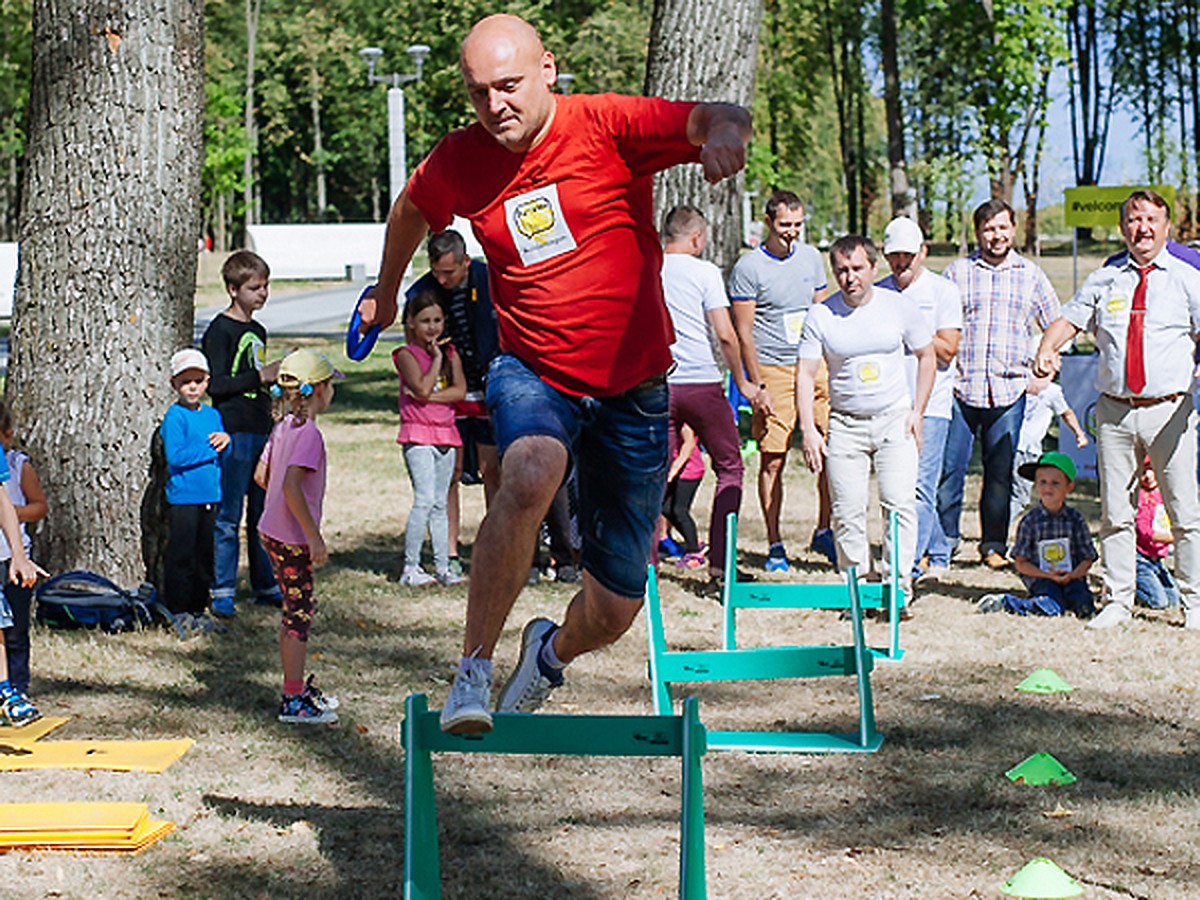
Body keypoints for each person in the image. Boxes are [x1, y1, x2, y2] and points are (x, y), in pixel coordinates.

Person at [356, 13, 750, 734]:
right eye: (479, 94)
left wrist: (723, 135)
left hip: (634, 391)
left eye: (508, 86)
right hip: (532, 369)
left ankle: (547, 652)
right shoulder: (463, 158)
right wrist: (387, 290)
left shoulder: (608, 126)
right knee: (531, 470)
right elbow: (412, 208)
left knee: (613, 610)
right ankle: (472, 670)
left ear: (548, 69)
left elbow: (716, 115)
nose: (495, 105)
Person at [1035, 189, 1200, 630]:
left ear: (1166, 228)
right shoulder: (1105, 279)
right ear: (1123, 227)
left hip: (1171, 411)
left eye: (1150, 220)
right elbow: (1070, 319)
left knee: (1185, 511)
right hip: (1114, 412)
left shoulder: (1188, 279)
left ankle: (1195, 602)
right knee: (1115, 513)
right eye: (1132, 219)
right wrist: (1048, 347)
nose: (1141, 228)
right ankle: (1118, 600)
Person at [797, 235, 935, 599]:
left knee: (899, 503)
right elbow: (805, 373)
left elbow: (927, 355)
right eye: (841, 270)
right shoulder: (821, 314)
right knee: (846, 511)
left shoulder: (899, 307)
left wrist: (917, 411)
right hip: (845, 423)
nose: (850, 277)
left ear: (874, 268)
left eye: (857, 268)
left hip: (894, 419)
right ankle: (856, 590)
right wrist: (809, 429)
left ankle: (897, 589)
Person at [937, 199, 1060, 569]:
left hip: (1009, 390)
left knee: (1000, 472)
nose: (997, 235)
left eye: (1003, 227)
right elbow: (937, 322)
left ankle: (993, 546)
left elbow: (1056, 322)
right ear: (977, 233)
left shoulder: (1031, 274)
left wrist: (1046, 364)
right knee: (949, 470)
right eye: (989, 229)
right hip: (960, 386)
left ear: (1014, 229)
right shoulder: (956, 273)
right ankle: (943, 544)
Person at [729, 191, 832, 571]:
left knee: (829, 452)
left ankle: (825, 531)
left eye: (798, 225)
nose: (792, 233)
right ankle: (775, 544)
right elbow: (743, 332)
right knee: (773, 460)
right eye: (785, 225)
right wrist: (756, 386)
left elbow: (822, 314)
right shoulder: (749, 267)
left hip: (813, 365)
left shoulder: (811, 259)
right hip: (772, 368)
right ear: (769, 222)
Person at [660, 205, 752, 584]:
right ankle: (721, 565)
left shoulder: (647, 268)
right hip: (700, 382)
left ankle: (645, 567)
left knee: (653, 474)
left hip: (658, 386)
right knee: (730, 467)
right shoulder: (705, 272)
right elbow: (726, 333)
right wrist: (742, 381)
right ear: (697, 238)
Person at [404, 230, 501, 576]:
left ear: (465, 261)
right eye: (437, 272)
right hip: (445, 398)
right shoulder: (423, 293)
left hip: (486, 388)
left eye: (450, 272)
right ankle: (449, 552)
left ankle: (495, 550)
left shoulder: (489, 279)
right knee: (451, 475)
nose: (443, 280)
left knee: (493, 471)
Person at [255, 349, 342, 724]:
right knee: (299, 618)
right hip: (292, 539)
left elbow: (262, 476)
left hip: (271, 533)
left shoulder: (282, 427)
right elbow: (292, 487)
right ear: (319, 390)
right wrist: (313, 536)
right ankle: (292, 699)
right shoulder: (309, 435)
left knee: (293, 612)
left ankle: (295, 688)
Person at [876, 216, 962, 585]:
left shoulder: (943, 292)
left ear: (923, 253)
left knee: (919, 487)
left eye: (908, 255)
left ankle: (905, 569)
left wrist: (910, 331)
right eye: (894, 255)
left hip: (932, 405)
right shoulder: (877, 293)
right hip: (886, 404)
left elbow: (947, 350)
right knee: (896, 489)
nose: (901, 263)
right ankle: (938, 550)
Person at [202, 250, 283, 618]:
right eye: (254, 287)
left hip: (261, 428)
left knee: (263, 512)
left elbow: (257, 381)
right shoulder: (220, 331)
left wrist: (274, 397)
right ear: (234, 289)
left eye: (265, 286)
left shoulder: (257, 330)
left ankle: (266, 583)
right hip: (233, 431)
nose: (262, 294)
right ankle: (222, 589)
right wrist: (260, 376)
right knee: (229, 513)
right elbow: (216, 385)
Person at [393, 291, 467, 587]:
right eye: (425, 321)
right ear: (411, 322)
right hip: (418, 435)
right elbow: (420, 387)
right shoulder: (407, 355)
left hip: (447, 434)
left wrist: (431, 395)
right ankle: (410, 567)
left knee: (440, 503)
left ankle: (442, 567)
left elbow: (459, 392)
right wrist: (435, 360)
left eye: (437, 320)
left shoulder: (452, 354)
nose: (432, 327)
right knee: (423, 500)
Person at [161, 349, 229, 634]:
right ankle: (179, 609)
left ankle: (200, 608)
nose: (192, 387)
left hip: (209, 496)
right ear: (174, 383)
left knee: (204, 557)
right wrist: (209, 448)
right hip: (183, 498)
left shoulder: (213, 415)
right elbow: (175, 456)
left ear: (207, 382)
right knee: (182, 555)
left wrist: (227, 441)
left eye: (198, 381)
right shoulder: (175, 416)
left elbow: (222, 451)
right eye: (185, 381)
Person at [0, 401, 47, 708]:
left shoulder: (17, 464)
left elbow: (3, 500)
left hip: (6, 557)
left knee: (9, 629)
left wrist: (19, 554)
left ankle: (9, 691)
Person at [1010, 452, 1097, 617]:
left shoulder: (1076, 520)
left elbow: (1088, 558)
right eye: (1042, 482)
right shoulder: (1030, 522)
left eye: (1055, 483)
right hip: (1041, 579)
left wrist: (1073, 574)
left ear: (1069, 487)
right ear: (1035, 484)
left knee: (1085, 605)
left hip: (1073, 577)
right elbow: (1020, 563)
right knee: (1051, 607)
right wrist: (1047, 575)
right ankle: (1008, 602)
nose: (1048, 488)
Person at [1009, 374, 1089, 528]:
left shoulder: (1017, 382)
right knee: (1020, 497)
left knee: (1005, 490)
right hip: (1027, 448)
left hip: (1010, 443)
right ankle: (999, 532)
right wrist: (1080, 434)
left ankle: (994, 534)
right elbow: (1067, 413)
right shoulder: (1052, 391)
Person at [1136, 457, 1180, 610]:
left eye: (1152, 470)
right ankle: (1132, 586)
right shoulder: (1140, 497)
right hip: (1140, 559)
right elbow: (1145, 533)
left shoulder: (1164, 495)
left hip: (1157, 559)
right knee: (1158, 603)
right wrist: (1173, 538)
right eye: (1143, 472)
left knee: (1174, 600)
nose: (1148, 476)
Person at [662, 422, 706, 569]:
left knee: (680, 510)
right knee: (666, 509)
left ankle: (695, 553)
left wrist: (674, 469)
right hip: (679, 470)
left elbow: (689, 443)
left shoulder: (682, 419)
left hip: (689, 470)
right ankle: (695, 541)